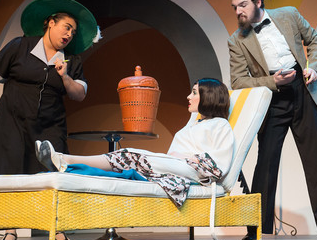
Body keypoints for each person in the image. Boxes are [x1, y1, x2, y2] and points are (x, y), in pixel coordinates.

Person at [0, 0, 100, 240]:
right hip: (12, 119)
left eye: (73, 31)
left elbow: (79, 93)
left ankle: (57, 231)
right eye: (66, 27)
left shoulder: (71, 60)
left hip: (50, 123)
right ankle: (10, 231)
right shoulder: (20, 46)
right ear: (50, 23)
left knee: (53, 171)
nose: (69, 34)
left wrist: (65, 76)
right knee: (10, 169)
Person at [227, 0, 317, 240]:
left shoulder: (289, 15)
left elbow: (314, 40)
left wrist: (313, 67)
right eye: (235, 7)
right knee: (266, 164)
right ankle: (255, 230)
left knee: (316, 162)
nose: (238, 11)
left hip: (303, 90)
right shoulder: (236, 40)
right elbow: (238, 81)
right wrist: (273, 82)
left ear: (258, 2)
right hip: (272, 97)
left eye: (243, 5)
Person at [35, 78, 235, 207]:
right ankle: (65, 164)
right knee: (127, 167)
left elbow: (218, 166)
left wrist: (186, 158)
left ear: (208, 97)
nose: (188, 96)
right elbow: (170, 158)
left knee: (131, 155)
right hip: (175, 168)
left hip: (193, 174)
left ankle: (64, 159)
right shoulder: (191, 126)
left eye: (194, 92)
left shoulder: (220, 125)